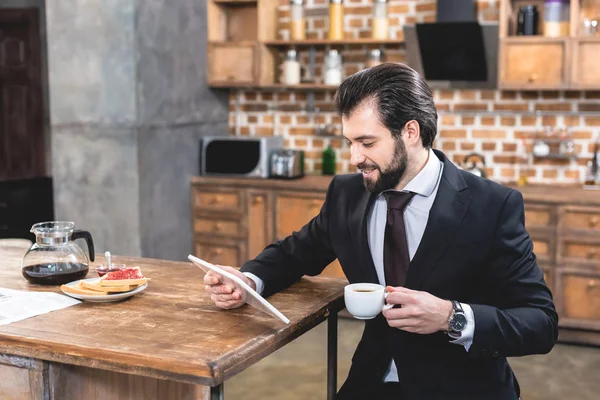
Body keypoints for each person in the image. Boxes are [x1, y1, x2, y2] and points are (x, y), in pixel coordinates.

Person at [204, 63, 558, 400]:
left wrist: (451, 316)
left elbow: (540, 322)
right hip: (371, 382)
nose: (355, 157)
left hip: (463, 388)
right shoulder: (347, 194)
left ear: (410, 131)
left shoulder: (492, 206)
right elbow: (295, 252)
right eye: (350, 143)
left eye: (367, 143)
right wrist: (249, 281)